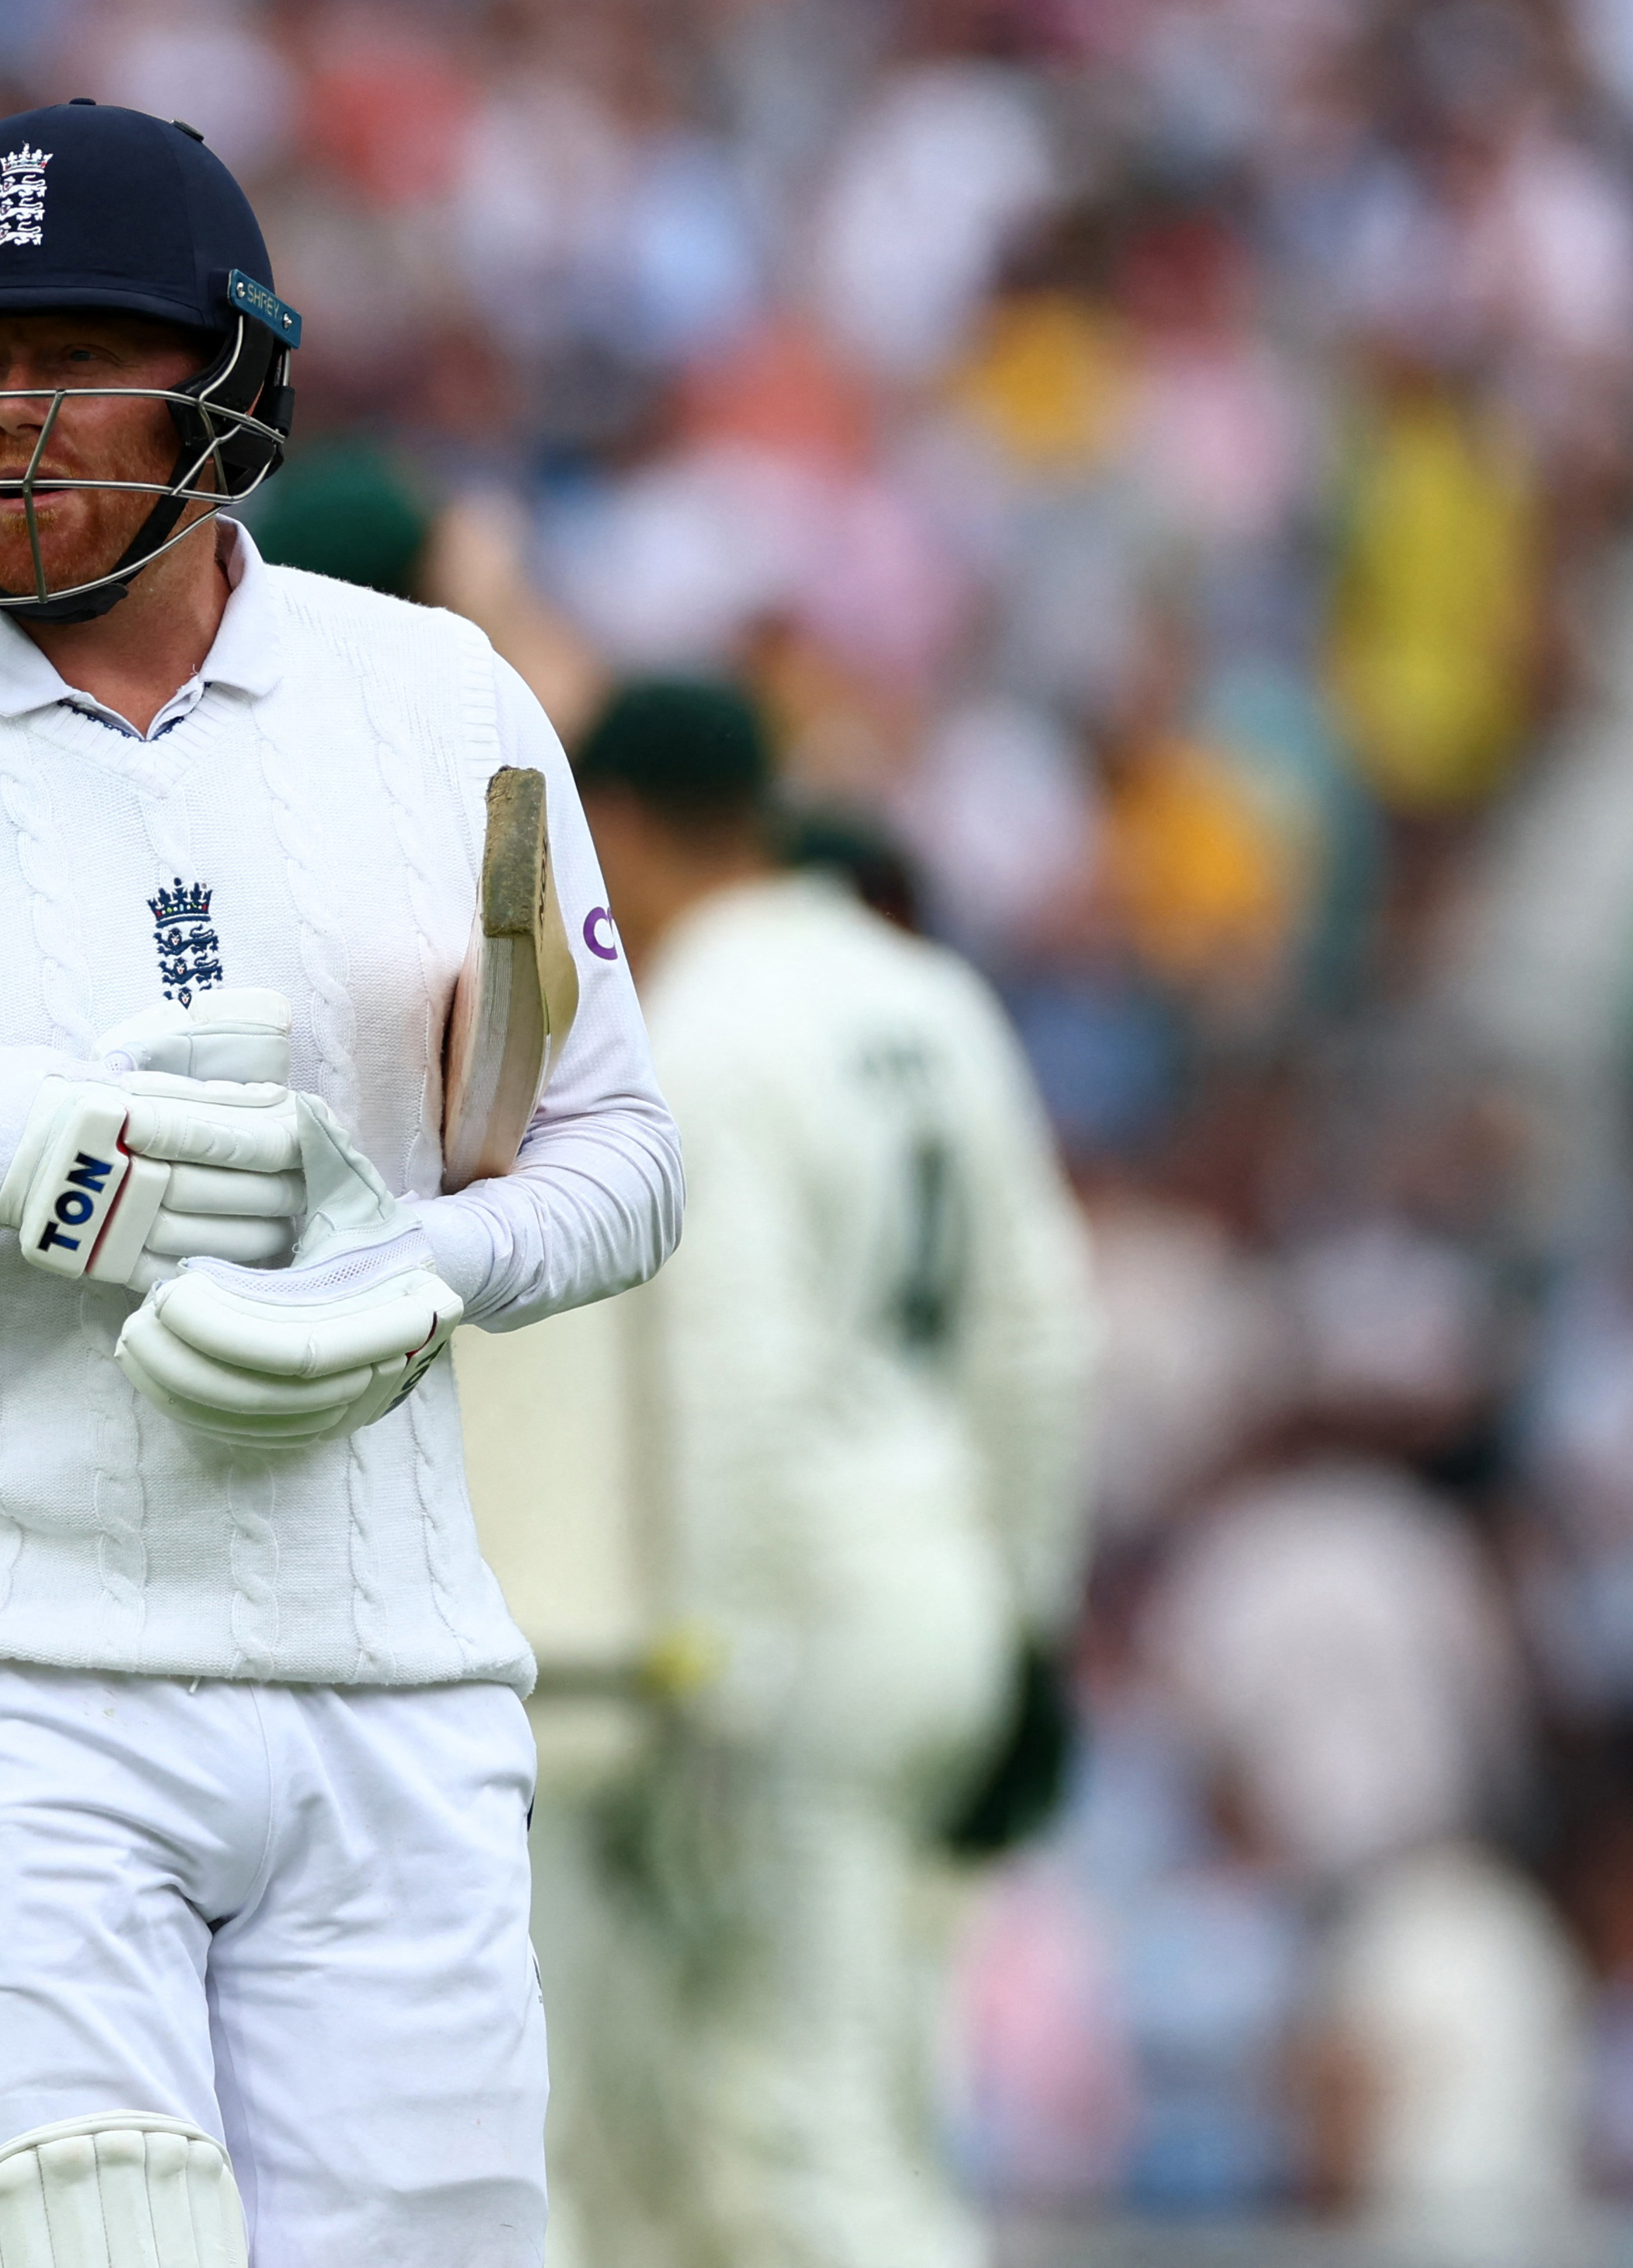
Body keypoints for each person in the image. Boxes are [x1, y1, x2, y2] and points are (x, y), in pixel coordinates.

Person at [0, 102, 684, 2266]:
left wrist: (417, 1270)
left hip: (386, 1661)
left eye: (78, 355)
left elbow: (622, 1156)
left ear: (228, 380)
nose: (14, 414)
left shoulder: (432, 697)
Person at [532, 676, 1094, 2268]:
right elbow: (1045, 1336)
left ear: (620, 824)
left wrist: (719, 1677)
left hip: (802, 1624)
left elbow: (739, 1391)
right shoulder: (926, 994)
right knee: (875, 2103)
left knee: (790, 2145)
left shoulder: (706, 1027)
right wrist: (1028, 1616)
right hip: (947, 1586)